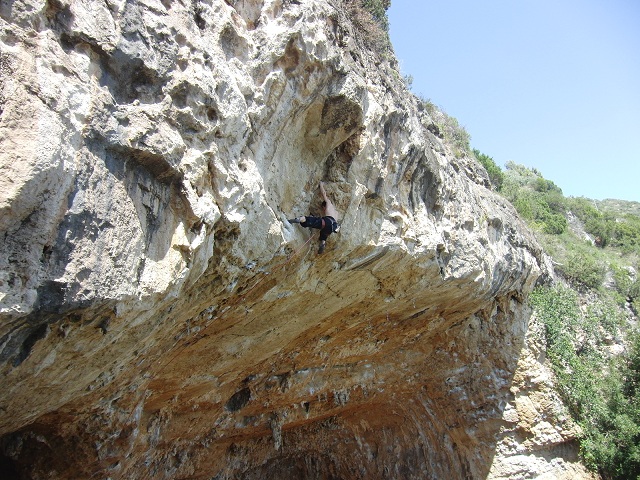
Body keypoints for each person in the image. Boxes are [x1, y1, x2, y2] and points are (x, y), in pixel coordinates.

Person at [289, 182, 340, 254]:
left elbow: (324, 194)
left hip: (326, 221)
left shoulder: (328, 203)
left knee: (308, 219)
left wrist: (321, 185)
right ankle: (323, 242)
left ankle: (299, 219)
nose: (323, 210)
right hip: (331, 228)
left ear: (324, 206)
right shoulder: (336, 213)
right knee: (324, 235)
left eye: (323, 208)